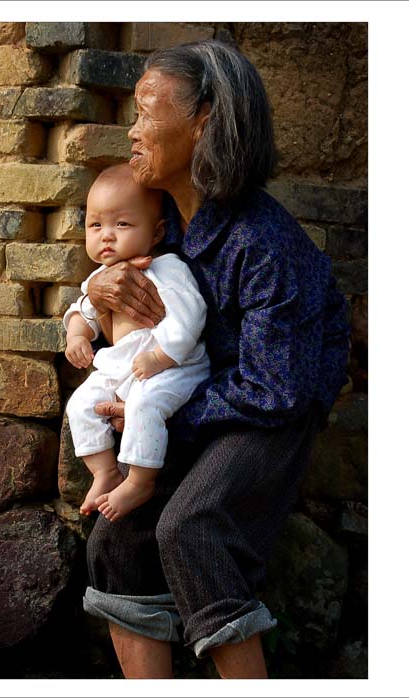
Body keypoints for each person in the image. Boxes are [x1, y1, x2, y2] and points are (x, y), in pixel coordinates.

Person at [78, 40, 351, 679]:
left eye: (147, 112)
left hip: (265, 417)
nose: (133, 130)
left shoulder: (264, 243)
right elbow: (109, 289)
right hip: (188, 404)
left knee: (190, 526)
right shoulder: (159, 218)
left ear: (205, 123)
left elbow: (274, 390)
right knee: (118, 537)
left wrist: (160, 412)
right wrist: (96, 291)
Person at [64, 164, 210, 521]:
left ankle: (141, 480)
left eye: (122, 225)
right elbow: (80, 310)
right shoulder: (101, 276)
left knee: (145, 405)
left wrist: (161, 357)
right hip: (122, 366)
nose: (107, 236)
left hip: (173, 366)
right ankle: (104, 471)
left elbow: (191, 315)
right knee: (81, 403)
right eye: (96, 225)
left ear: (157, 232)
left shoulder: (167, 268)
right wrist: (77, 335)